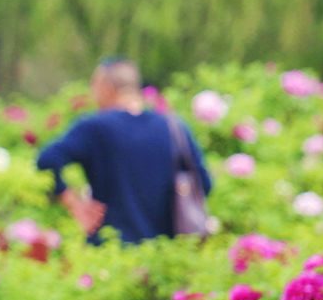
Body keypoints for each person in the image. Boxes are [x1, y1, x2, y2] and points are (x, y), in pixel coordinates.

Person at [35, 57, 212, 244]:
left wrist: (74, 203)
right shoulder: (175, 128)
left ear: (106, 87)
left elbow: (46, 160)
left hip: (109, 251)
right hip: (164, 256)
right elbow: (203, 185)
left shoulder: (95, 127)